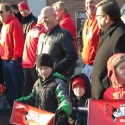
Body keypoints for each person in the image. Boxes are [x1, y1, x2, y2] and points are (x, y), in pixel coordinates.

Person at [17, 53, 72, 125]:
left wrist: (63, 110)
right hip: (40, 120)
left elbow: (65, 99)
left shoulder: (57, 82)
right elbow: (33, 97)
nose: (43, 71)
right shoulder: (37, 83)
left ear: (52, 67)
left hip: (54, 121)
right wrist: (21, 101)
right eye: (40, 68)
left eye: (46, 68)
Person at [91, 0, 125, 99]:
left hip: (109, 98)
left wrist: (105, 87)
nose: (95, 19)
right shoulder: (106, 33)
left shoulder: (121, 35)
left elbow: (120, 69)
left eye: (97, 16)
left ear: (106, 18)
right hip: (101, 95)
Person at [37, 6, 77, 79]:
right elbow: (38, 55)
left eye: (46, 17)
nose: (43, 21)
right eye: (42, 18)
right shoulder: (42, 36)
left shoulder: (64, 34)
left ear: (54, 16)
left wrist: (54, 68)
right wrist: (37, 67)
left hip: (58, 79)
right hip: (43, 79)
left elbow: (72, 55)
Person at [0, 3, 24, 106]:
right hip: (5, 60)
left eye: (1, 11)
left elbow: (18, 42)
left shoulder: (14, 23)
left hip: (12, 61)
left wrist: (14, 58)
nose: (0, 14)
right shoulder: (4, 25)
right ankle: (14, 109)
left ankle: (21, 108)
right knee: (9, 87)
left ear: (9, 11)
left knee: (17, 86)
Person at [52, 1, 78, 78]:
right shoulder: (67, 21)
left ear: (62, 10)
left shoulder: (65, 23)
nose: (55, 14)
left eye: (56, 11)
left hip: (67, 57)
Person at [22, 15, 45, 96]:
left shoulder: (31, 30)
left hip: (26, 63)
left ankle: (22, 107)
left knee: (27, 88)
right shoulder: (42, 31)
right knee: (39, 89)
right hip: (34, 64)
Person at [81, 0, 100, 81]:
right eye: (87, 3)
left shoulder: (100, 21)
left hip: (97, 65)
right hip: (86, 65)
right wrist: (82, 50)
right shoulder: (87, 21)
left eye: (91, 2)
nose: (89, 5)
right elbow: (80, 38)